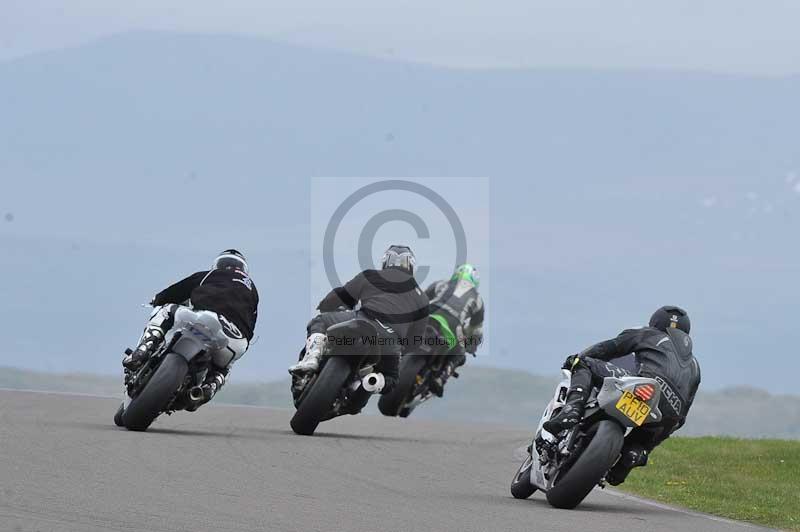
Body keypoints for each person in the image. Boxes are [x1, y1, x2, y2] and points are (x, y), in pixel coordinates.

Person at [542, 305, 701, 485]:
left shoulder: (649, 334)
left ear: (655, 322)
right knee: (652, 435)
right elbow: (682, 415)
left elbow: (607, 348)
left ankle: (572, 410)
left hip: (644, 385)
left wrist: (576, 358)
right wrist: (654, 439)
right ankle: (630, 457)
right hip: (670, 412)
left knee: (584, 362)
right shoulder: (695, 367)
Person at [289, 245, 429, 413]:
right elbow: (415, 341)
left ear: (386, 261)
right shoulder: (422, 297)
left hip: (363, 321)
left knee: (320, 321)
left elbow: (340, 297)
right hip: (390, 342)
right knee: (390, 379)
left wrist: (325, 305)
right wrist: (398, 351)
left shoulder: (371, 275)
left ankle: (312, 357)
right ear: (411, 265)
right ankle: (371, 382)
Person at [122, 249, 259, 410]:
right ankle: (209, 387)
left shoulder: (210, 275)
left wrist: (157, 299)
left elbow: (177, 290)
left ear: (219, 265)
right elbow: (251, 325)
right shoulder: (253, 291)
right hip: (235, 339)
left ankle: (143, 349)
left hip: (204, 317)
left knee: (167, 310)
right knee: (225, 367)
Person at [424, 263, 485, 396]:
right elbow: (476, 330)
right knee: (460, 352)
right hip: (453, 323)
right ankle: (441, 379)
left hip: (430, 313)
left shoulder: (441, 284)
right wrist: (471, 346)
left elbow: (422, 299)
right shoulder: (478, 299)